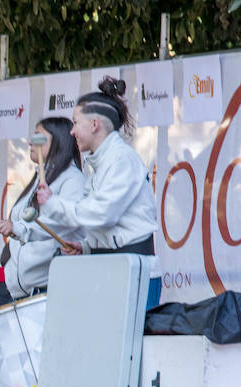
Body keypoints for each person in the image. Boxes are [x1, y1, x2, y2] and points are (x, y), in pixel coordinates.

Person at [35, 76, 161, 309]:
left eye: (75, 123)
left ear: (94, 124)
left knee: (128, 345)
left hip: (134, 272)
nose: (71, 131)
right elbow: (110, 225)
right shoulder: (100, 164)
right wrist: (87, 246)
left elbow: (104, 213)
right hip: (112, 270)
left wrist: (54, 204)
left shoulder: (121, 159)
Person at [0, 117, 85, 310]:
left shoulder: (72, 180)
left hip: (48, 288)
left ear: (59, 141)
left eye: (39, 137)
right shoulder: (40, 178)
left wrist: (19, 228)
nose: (31, 142)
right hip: (20, 289)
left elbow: (62, 225)